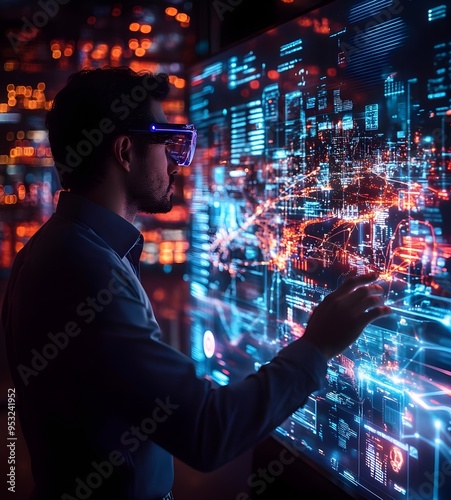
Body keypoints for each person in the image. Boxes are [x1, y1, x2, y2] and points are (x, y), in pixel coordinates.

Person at [1, 66, 391, 500]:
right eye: (167, 143)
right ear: (126, 152)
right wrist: (317, 347)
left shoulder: (58, 249)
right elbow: (207, 431)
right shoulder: (83, 270)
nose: (175, 162)